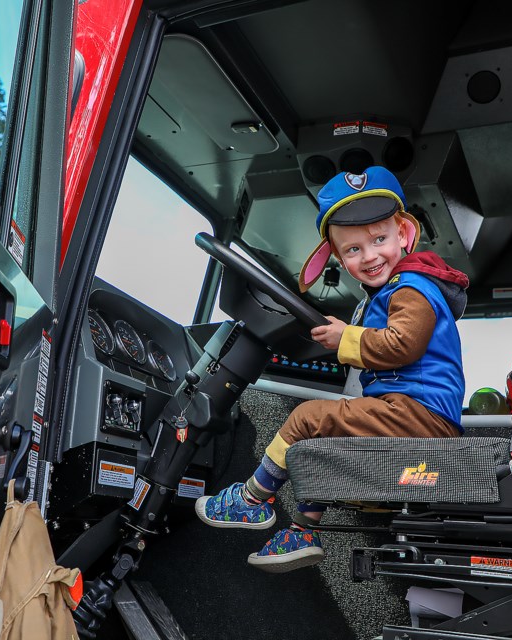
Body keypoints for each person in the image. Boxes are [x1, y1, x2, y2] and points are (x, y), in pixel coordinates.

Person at [195, 165, 469, 572]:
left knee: (308, 418)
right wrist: (343, 338)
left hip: (421, 415)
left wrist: (346, 339)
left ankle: (253, 499)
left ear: (404, 235)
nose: (370, 255)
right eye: (353, 249)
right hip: (409, 412)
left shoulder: (414, 287)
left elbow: (403, 346)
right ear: (336, 257)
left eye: (379, 239)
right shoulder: (390, 291)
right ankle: (305, 530)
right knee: (325, 439)